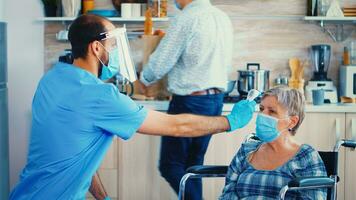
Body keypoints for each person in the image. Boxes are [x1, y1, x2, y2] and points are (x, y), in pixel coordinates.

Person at [9, 14, 255, 200]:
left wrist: (103, 197)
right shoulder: (99, 96)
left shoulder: (52, 79)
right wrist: (228, 122)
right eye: (113, 46)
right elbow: (176, 125)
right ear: (96, 47)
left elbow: (76, 152)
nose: (115, 52)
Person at [138, 0, 234, 198]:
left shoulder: (187, 18)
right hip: (215, 100)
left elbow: (162, 60)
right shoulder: (222, 17)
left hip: (191, 102)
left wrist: (143, 79)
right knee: (193, 167)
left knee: (170, 165)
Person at [219, 86, 327, 200]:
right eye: (261, 109)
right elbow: (228, 192)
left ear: (292, 122)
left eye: (272, 111)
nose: (262, 115)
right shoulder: (247, 149)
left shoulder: (305, 156)